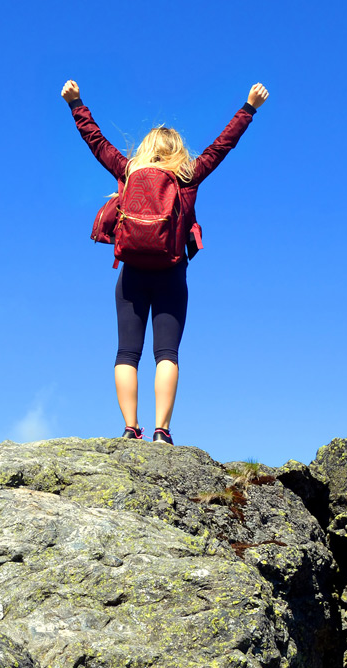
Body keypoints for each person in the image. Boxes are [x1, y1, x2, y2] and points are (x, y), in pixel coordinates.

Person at [62, 79, 267, 444]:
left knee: (127, 351)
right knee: (166, 353)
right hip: (171, 272)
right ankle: (161, 432)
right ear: (177, 151)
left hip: (132, 274)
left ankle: (129, 428)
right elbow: (223, 145)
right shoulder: (187, 176)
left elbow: (95, 141)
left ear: (144, 149)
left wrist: (76, 102)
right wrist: (248, 108)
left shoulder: (127, 172)